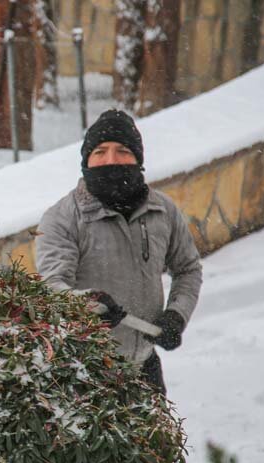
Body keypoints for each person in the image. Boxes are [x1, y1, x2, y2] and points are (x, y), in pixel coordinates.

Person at [35, 109, 202, 395]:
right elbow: (52, 287)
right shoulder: (62, 218)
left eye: (122, 150)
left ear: (138, 159)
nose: (111, 160)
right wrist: (86, 304)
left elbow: (188, 268)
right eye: (100, 151)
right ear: (86, 161)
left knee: (158, 442)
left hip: (144, 369)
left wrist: (177, 314)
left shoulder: (163, 211)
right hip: (85, 374)